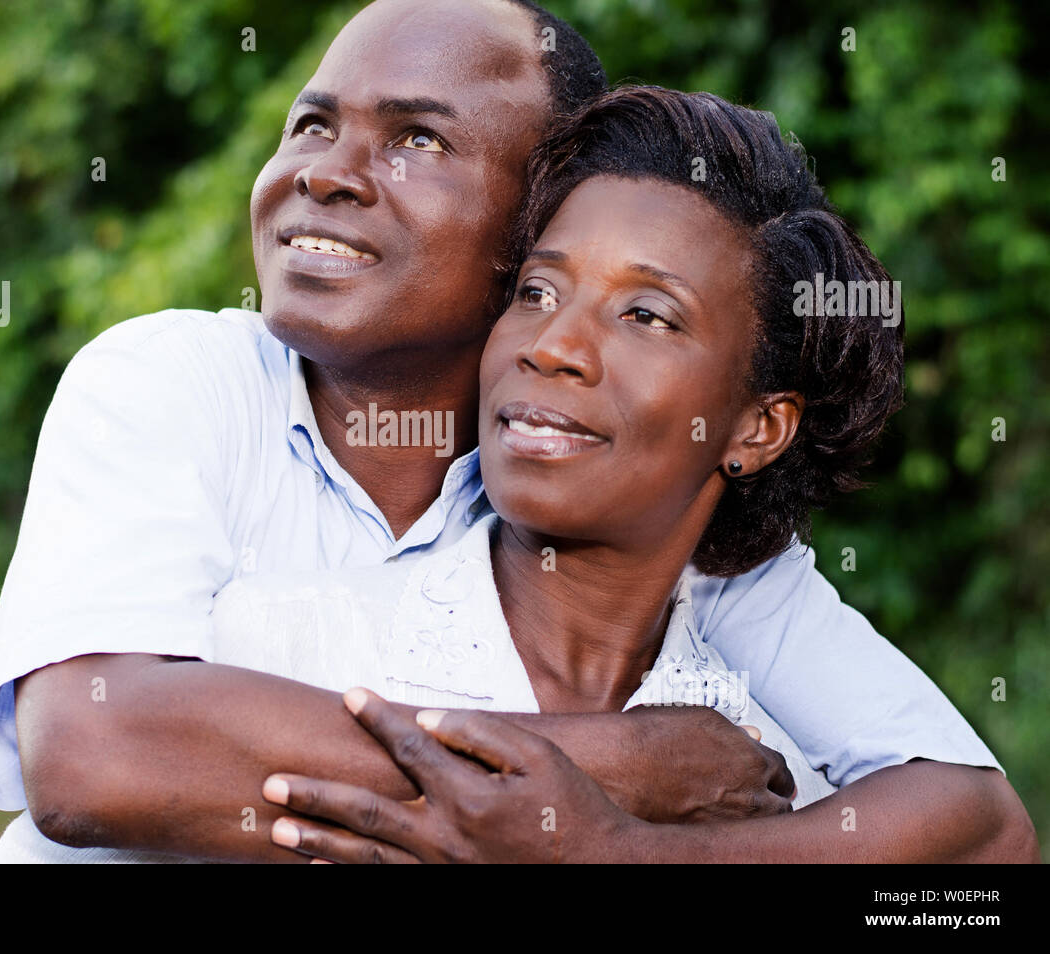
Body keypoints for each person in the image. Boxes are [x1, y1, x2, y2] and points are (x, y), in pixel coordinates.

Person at [0, 0, 1035, 862]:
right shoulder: (184, 390)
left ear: (532, 215)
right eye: (310, 123)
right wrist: (607, 774)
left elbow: (975, 829)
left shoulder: (663, 543)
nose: (323, 175)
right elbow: (97, 750)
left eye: (416, 139)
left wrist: (622, 850)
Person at [247, 85, 1038, 861]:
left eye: (646, 316)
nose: (551, 345)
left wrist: (617, 848)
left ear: (759, 427)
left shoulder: (772, 778)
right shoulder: (282, 648)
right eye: (536, 290)